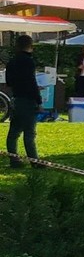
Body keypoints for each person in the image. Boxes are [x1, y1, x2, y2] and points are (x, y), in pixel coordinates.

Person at [6, 35, 39, 164]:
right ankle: (34, 161)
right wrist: (39, 100)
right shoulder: (29, 61)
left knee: (14, 132)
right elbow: (31, 82)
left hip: (17, 98)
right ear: (30, 46)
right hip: (28, 99)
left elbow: (9, 82)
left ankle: (14, 159)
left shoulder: (12, 62)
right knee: (29, 133)